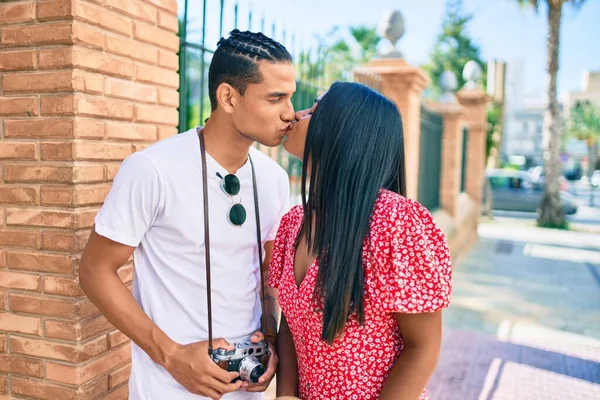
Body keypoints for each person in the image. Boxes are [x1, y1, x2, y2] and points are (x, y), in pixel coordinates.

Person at [79, 30, 296, 400]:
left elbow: (267, 274)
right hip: (166, 388)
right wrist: (172, 356)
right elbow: (94, 271)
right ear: (228, 97)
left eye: (290, 98)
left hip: (247, 388)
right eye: (275, 98)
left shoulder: (274, 179)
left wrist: (270, 339)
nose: (290, 113)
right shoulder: (152, 169)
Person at [270, 82, 453, 399]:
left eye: (314, 111)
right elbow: (291, 322)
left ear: (343, 131)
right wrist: (285, 395)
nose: (297, 115)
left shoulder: (396, 222)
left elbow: (423, 347)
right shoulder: (293, 223)